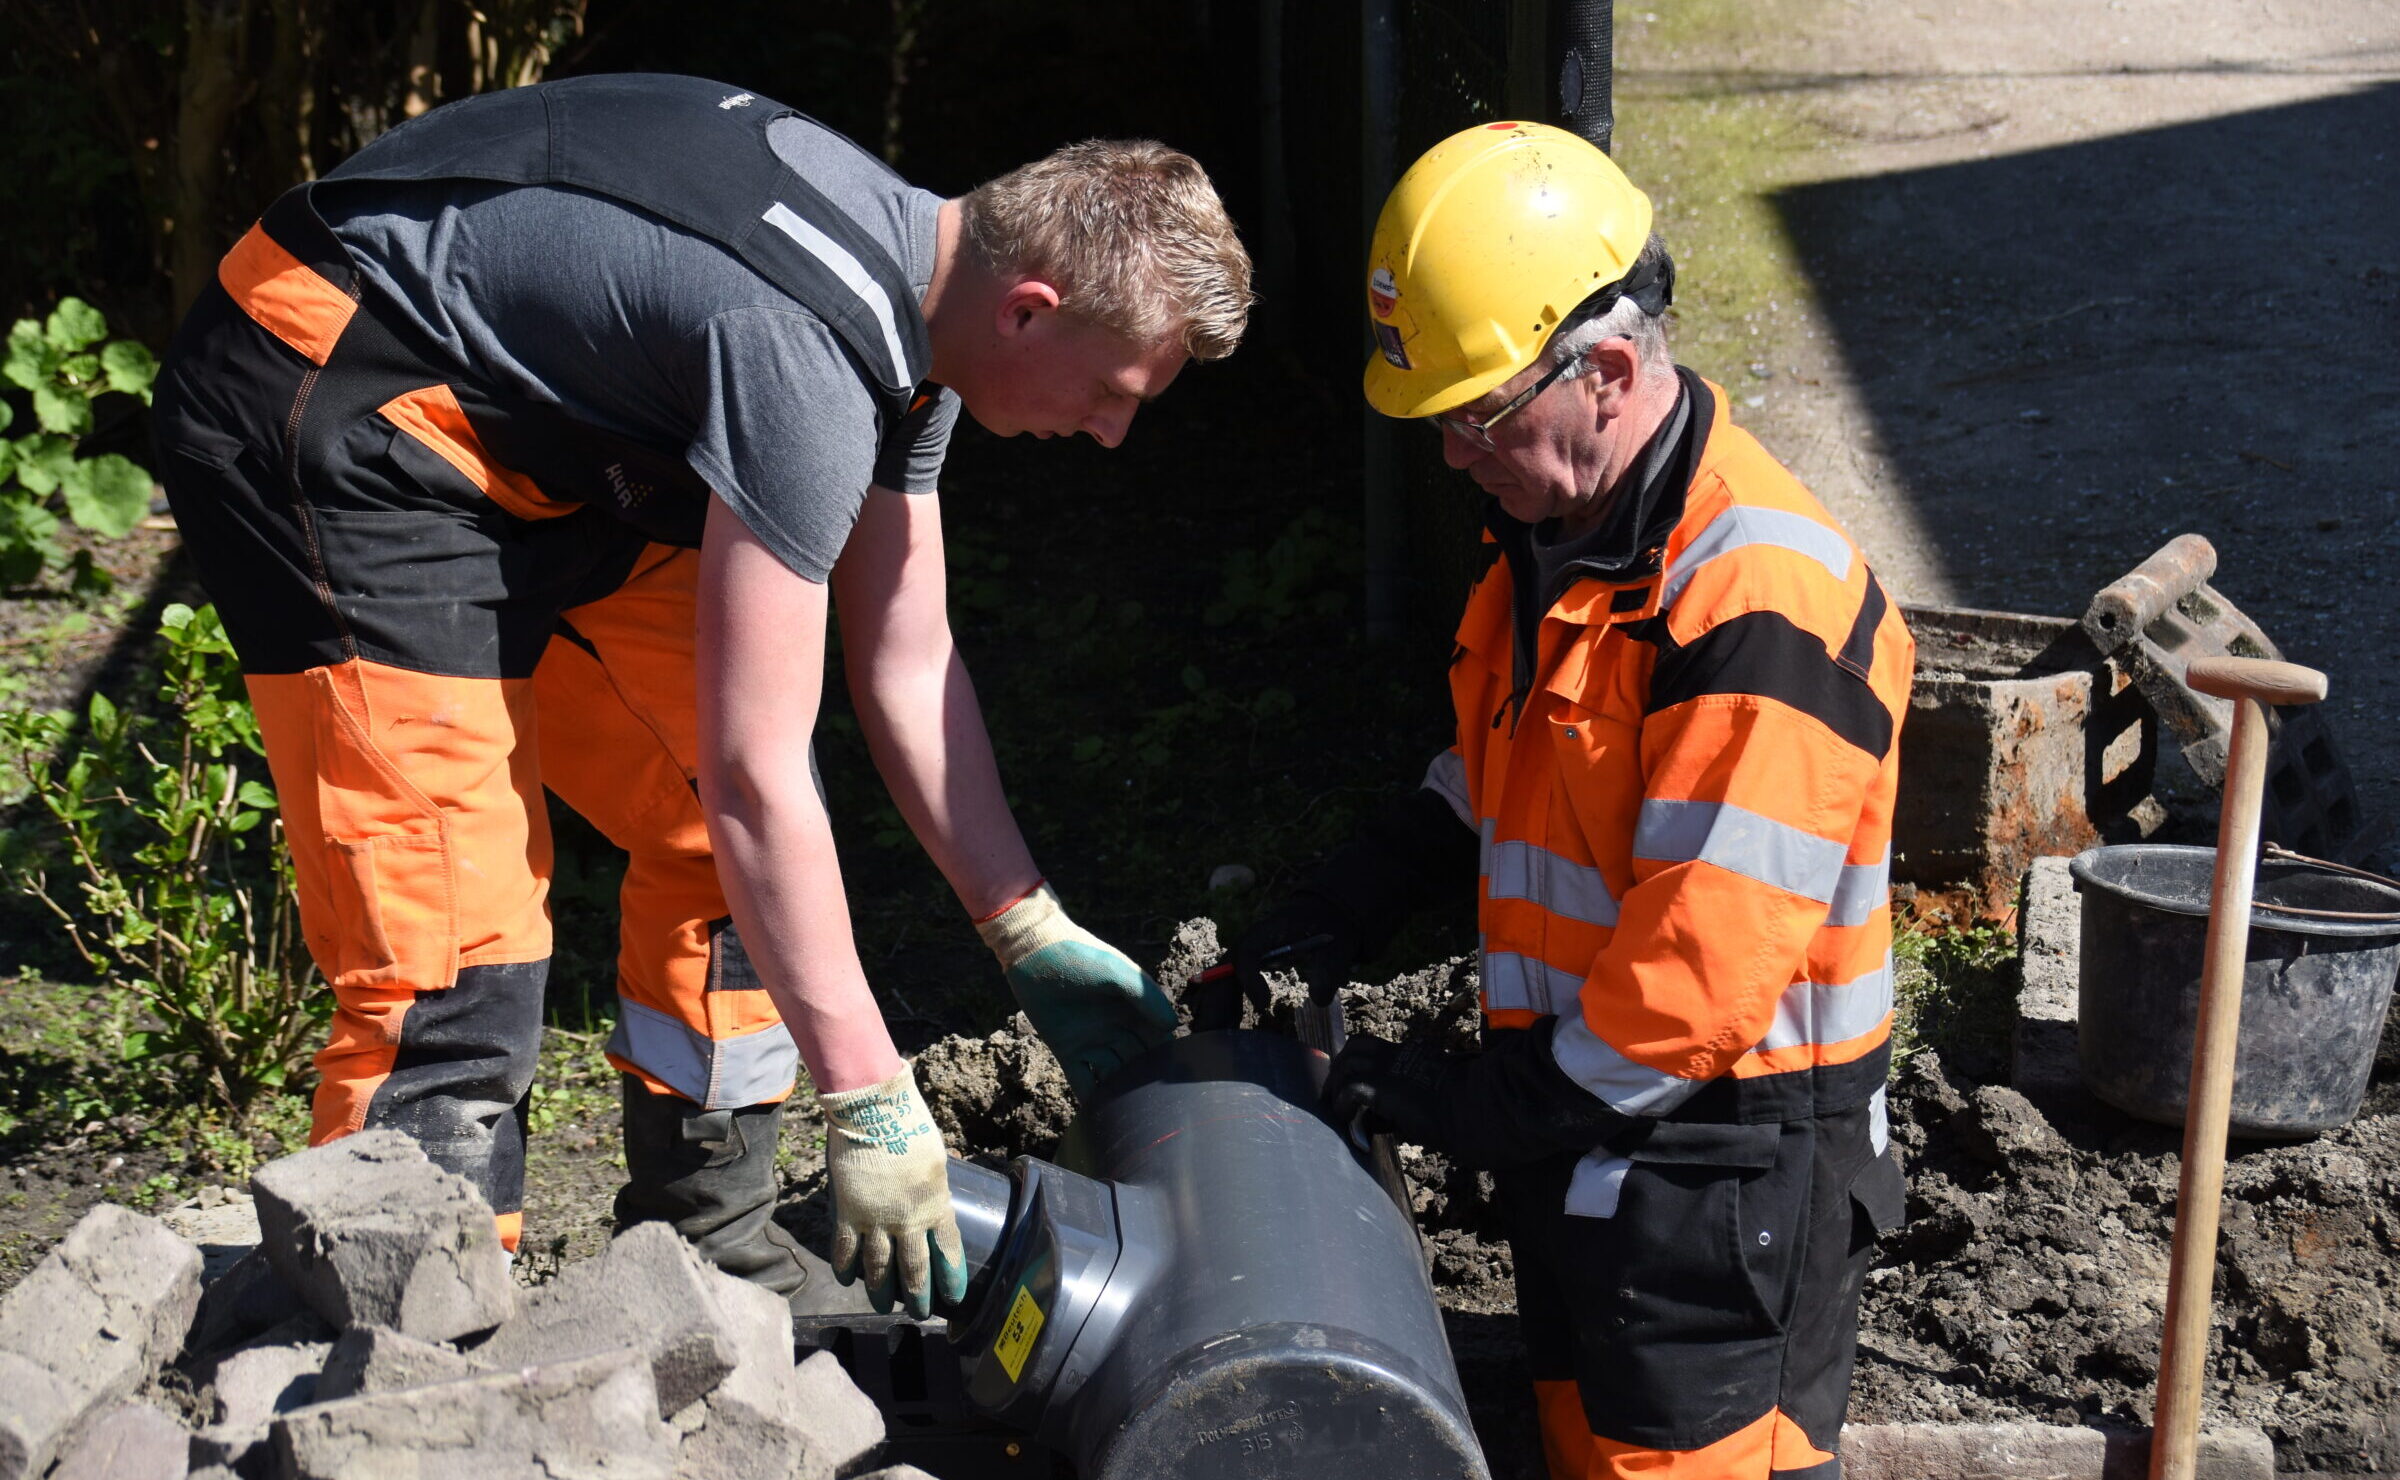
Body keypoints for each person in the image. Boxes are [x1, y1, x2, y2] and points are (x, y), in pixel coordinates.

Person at [153, 72, 1250, 1319]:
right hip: (334, 394)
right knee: (454, 955)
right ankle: (390, 1354)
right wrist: (870, 1091)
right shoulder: (804, 351)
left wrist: (1025, 925)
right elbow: (754, 768)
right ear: (1030, 310)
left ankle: (708, 1240)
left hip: (538, 438)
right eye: (1116, 395)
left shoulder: (911, 313)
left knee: (724, 847)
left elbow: (907, 659)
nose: (1112, 435)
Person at [1238, 121, 1908, 1478]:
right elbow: (1509, 780)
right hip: (1589, 1145)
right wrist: (1344, 899)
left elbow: (1692, 993)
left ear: (1605, 371)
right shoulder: (1559, 542)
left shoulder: (1758, 606)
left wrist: (1446, 1098)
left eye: (1473, 418)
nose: (1449, 457)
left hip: (1721, 1185)